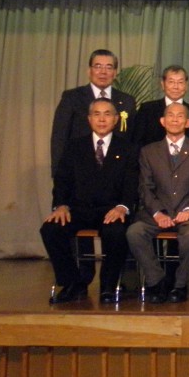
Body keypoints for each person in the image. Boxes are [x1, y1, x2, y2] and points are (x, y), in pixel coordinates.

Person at [41, 97, 139, 304]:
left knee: (117, 232)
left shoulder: (128, 149)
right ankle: (72, 283)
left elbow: (132, 184)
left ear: (115, 120)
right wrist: (60, 205)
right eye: (97, 114)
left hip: (110, 210)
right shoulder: (74, 146)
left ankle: (107, 286)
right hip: (78, 209)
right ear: (89, 119)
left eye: (107, 114)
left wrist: (123, 207)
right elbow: (62, 180)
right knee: (51, 229)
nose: (102, 119)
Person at [127, 103, 189, 304]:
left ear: (188, 122)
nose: (175, 119)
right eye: (170, 115)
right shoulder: (148, 151)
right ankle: (157, 281)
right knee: (134, 232)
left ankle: (179, 284)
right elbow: (145, 187)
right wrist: (157, 212)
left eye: (180, 116)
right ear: (162, 121)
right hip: (157, 213)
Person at [50, 48, 135, 175]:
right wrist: (58, 172)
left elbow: (131, 138)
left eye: (109, 67)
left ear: (115, 72)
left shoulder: (127, 100)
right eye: (98, 66)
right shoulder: (72, 97)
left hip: (117, 171)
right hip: (79, 169)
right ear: (89, 71)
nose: (103, 72)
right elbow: (59, 137)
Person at [133, 65, 189, 147]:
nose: (176, 87)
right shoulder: (147, 110)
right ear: (163, 84)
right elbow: (137, 143)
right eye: (171, 82)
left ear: (186, 85)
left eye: (180, 82)